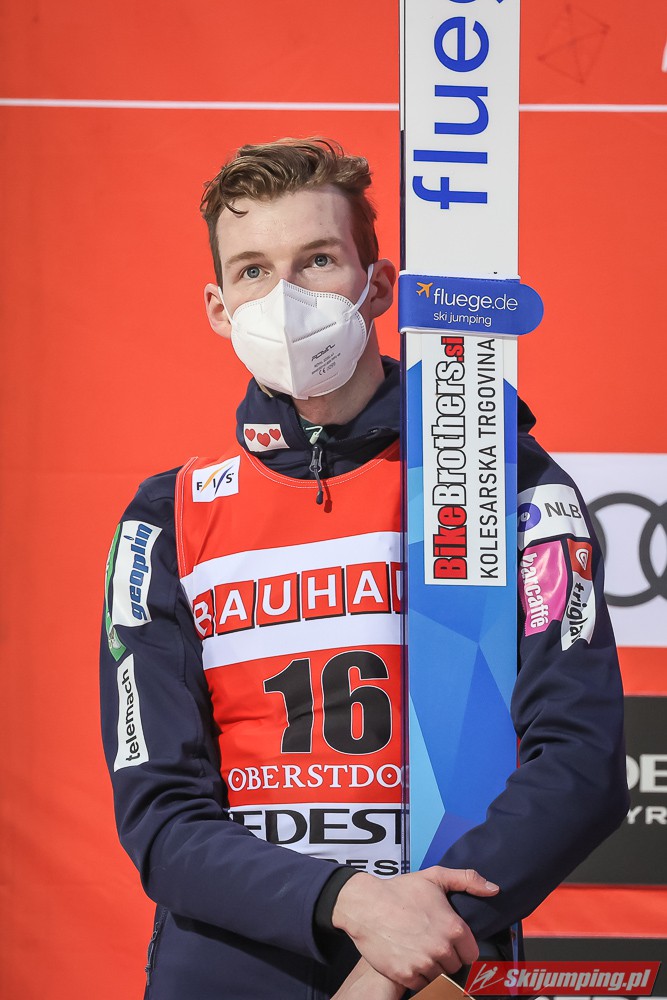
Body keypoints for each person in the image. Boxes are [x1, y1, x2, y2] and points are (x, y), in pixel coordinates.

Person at [100, 138, 628, 1000]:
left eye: (317, 260)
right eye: (252, 271)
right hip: (232, 967)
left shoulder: (498, 479)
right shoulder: (166, 516)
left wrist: (404, 947)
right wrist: (351, 906)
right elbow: (159, 814)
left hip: (439, 961)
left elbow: (581, 759)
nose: (285, 298)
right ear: (218, 308)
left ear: (376, 286)